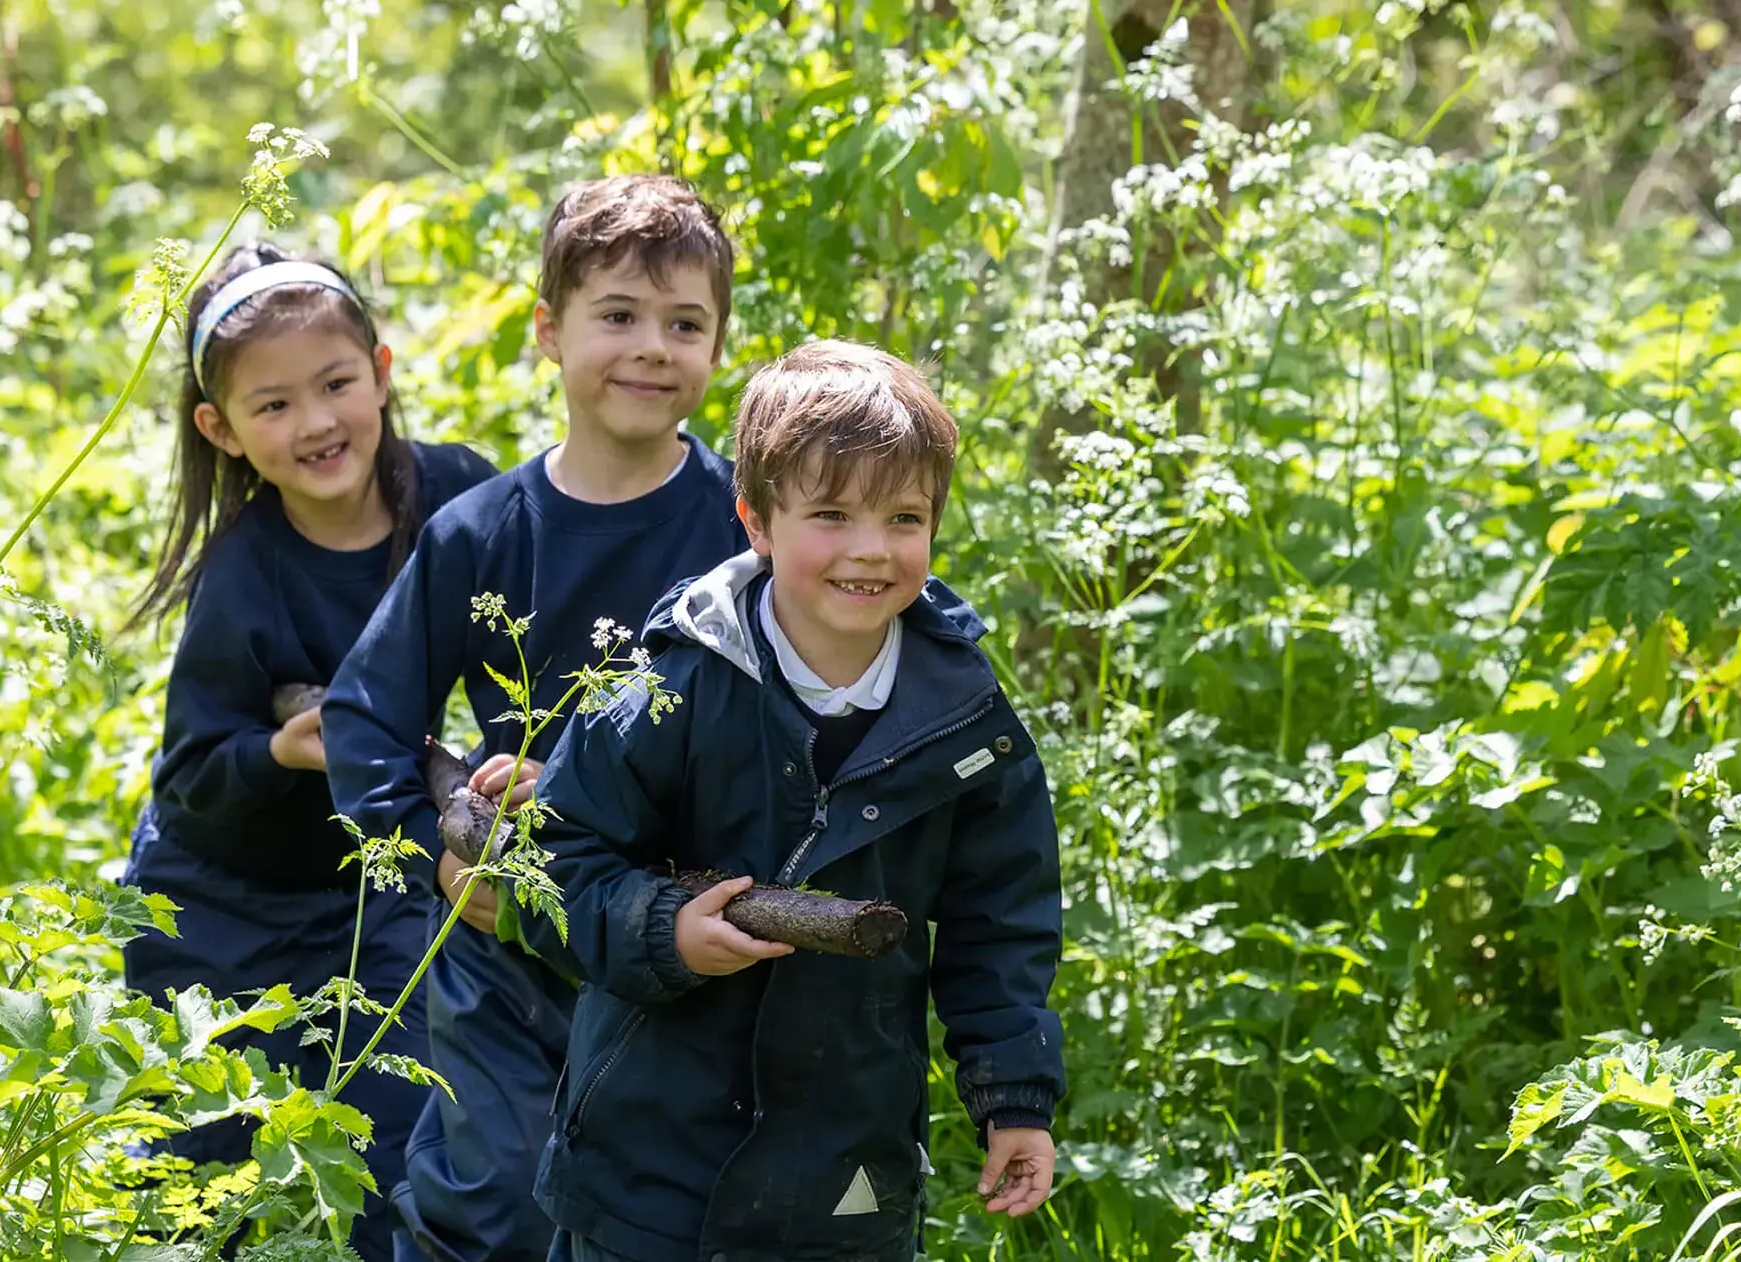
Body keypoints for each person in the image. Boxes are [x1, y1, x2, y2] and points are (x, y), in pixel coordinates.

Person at [529, 340, 1065, 1262]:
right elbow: (553, 861)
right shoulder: (675, 684)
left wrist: (1013, 1099)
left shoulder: (965, 717)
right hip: (650, 1162)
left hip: (845, 1160)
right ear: (756, 521)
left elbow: (1001, 922)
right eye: (831, 513)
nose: (871, 549)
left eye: (904, 517)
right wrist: (665, 931)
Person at [324, 174, 748, 1262]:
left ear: (717, 345)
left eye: (684, 323)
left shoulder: (749, 525)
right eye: (617, 316)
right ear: (549, 334)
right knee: (492, 1196)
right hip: (508, 925)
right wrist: (438, 862)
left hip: (676, 934)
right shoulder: (479, 534)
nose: (652, 347)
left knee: (659, 1211)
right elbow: (367, 716)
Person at [122, 242, 498, 1262]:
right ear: (224, 430)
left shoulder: (459, 499)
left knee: (400, 1128)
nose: (318, 422)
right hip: (221, 902)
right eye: (275, 404)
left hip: (376, 892)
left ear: (379, 371)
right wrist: (284, 751)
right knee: (204, 1169)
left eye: (336, 383)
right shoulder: (244, 575)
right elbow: (193, 779)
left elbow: (521, 648)